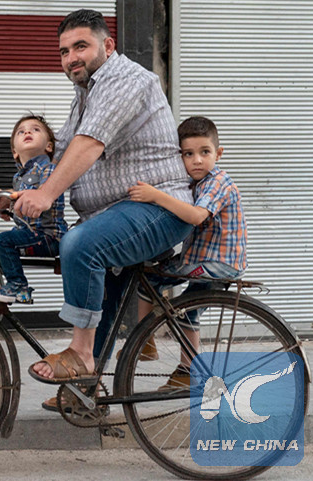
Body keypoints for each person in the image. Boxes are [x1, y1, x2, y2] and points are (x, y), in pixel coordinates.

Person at [13, 9, 194, 389]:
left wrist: (46, 194)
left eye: (81, 46)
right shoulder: (85, 92)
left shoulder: (127, 79)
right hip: (116, 213)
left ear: (108, 46)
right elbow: (61, 148)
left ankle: (80, 354)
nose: (71, 58)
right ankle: (87, 391)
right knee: (103, 298)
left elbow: (89, 143)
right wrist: (17, 193)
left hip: (156, 208)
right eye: (64, 51)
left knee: (80, 244)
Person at [128, 116, 247, 390]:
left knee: (155, 282)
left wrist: (155, 195)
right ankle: (183, 370)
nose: (197, 161)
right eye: (188, 154)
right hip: (206, 260)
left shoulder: (218, 182)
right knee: (185, 311)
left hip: (217, 263)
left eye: (205, 152)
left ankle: (145, 343)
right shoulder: (195, 183)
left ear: (218, 153)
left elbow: (195, 216)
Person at [0, 114, 68, 304]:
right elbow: (22, 205)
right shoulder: (19, 177)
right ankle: (4, 295)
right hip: (32, 232)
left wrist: (6, 196)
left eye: (35, 129)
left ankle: (18, 286)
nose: (28, 132)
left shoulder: (49, 169)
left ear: (49, 146)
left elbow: (40, 196)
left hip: (49, 235)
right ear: (14, 152)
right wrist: (4, 206)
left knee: (4, 241)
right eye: (21, 132)